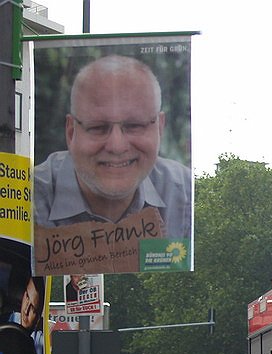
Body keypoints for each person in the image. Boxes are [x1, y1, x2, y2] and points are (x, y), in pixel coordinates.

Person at [33, 54, 192, 240]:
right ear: (71, 132)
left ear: (159, 127)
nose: (116, 146)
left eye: (134, 125)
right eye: (98, 128)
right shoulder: (27, 198)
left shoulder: (186, 194)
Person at [6, 275, 44, 354]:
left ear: (38, 318)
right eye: (27, 297)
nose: (26, 310)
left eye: (33, 309)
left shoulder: (41, 343)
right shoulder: (5, 319)